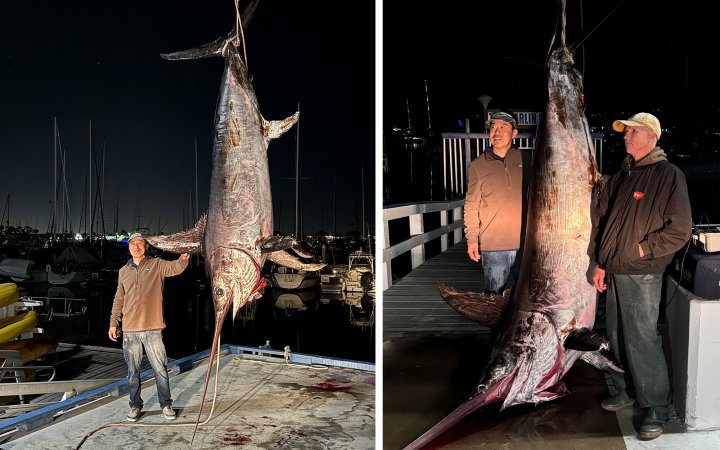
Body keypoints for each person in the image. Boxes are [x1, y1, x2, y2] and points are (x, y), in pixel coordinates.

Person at [592, 112, 692, 440]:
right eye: (625, 132)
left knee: (643, 339)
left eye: (632, 132)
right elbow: (606, 224)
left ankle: (656, 408)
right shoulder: (622, 175)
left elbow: (679, 231)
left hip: (643, 273)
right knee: (618, 337)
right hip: (616, 270)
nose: (625, 137)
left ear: (650, 136)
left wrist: (641, 251)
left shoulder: (668, 175)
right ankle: (627, 390)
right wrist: (602, 263)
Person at [108, 232, 190, 422]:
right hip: (129, 331)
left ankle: (166, 404)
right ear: (129, 247)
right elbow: (119, 299)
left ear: (146, 247)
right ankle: (135, 406)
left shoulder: (156, 264)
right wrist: (114, 324)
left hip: (153, 329)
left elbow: (175, 268)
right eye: (132, 243)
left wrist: (183, 258)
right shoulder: (123, 271)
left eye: (140, 243)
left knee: (160, 369)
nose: (135, 246)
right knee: (132, 373)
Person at [464, 110, 531, 293]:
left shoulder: (527, 159)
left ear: (514, 133)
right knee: (493, 298)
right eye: (493, 127)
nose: (497, 132)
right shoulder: (478, 165)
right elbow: (471, 205)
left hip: (526, 243)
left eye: (503, 127)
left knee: (526, 297)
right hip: (493, 245)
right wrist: (472, 240)